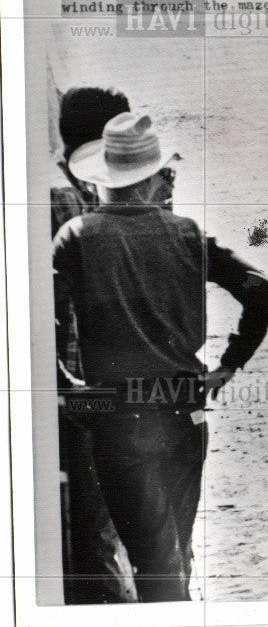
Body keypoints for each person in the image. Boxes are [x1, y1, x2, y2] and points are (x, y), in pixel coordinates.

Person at [53, 112, 268, 601]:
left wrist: (70, 389)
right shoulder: (186, 233)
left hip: (115, 415)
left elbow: (45, 323)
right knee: (175, 547)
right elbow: (261, 291)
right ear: (152, 178)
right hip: (185, 408)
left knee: (155, 561)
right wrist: (228, 365)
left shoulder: (76, 237)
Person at [51, 86, 138, 604]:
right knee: (99, 522)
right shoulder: (64, 199)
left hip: (89, 381)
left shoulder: (77, 189)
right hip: (84, 386)